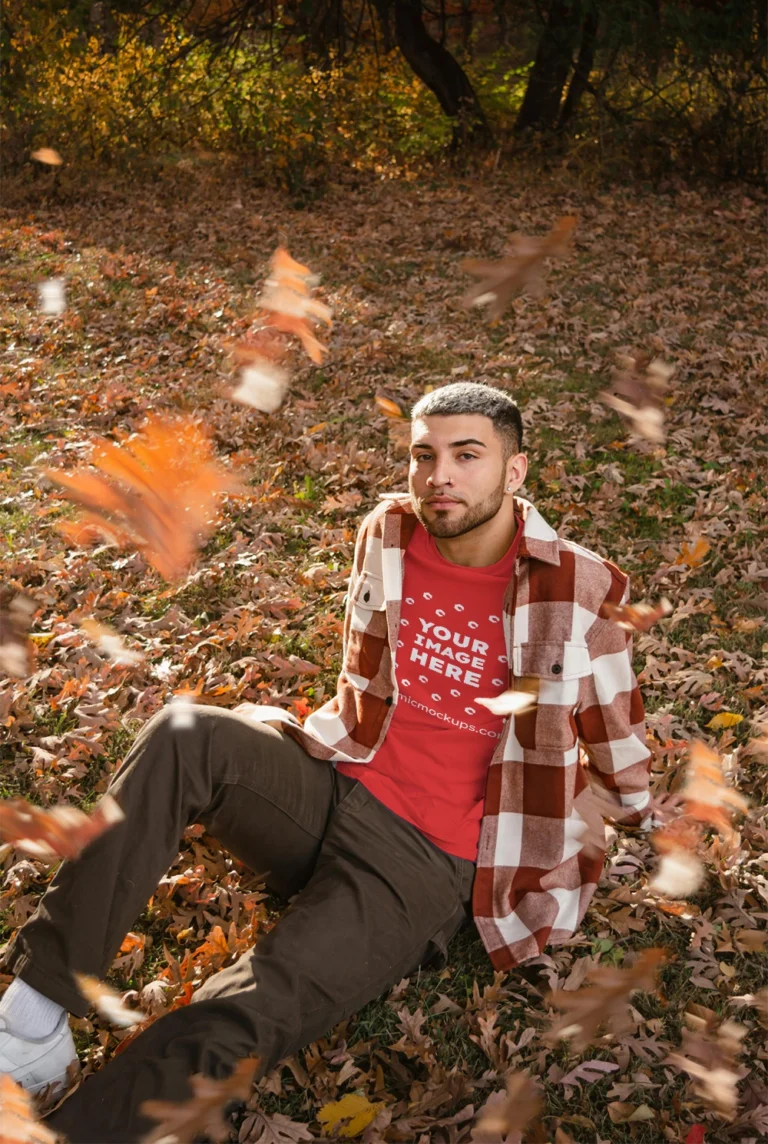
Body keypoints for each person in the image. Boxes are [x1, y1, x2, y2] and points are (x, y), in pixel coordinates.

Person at [0, 382, 652, 1142]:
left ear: (514, 473)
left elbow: (624, 771)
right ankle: (33, 1019)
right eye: (424, 455)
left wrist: (542, 848)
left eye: (466, 456)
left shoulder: (577, 589)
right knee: (185, 732)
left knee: (245, 1005)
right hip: (336, 781)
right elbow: (364, 683)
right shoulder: (389, 531)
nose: (439, 475)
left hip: (424, 862)